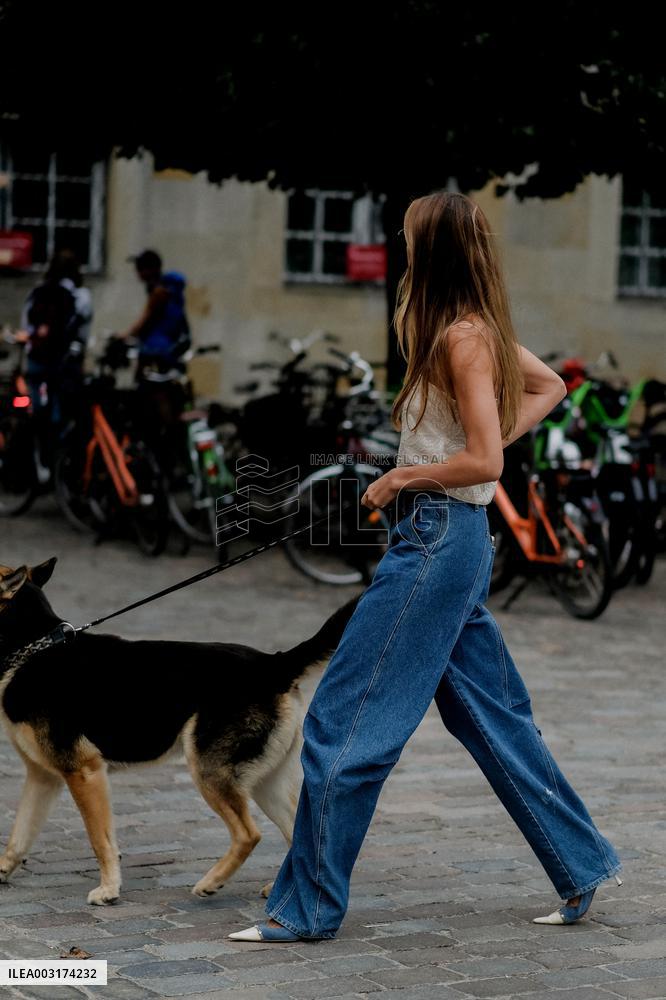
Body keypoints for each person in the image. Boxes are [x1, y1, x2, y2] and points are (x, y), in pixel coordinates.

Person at [229, 191, 622, 944]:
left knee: (344, 724)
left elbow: (486, 460)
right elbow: (549, 389)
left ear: (430, 247)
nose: (401, 239)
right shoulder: (458, 326)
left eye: (410, 231)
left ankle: (305, 911)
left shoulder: (463, 338)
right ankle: (582, 865)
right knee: (493, 718)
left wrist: (406, 475)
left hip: (438, 540)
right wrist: (458, 452)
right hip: (453, 539)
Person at [20, 249, 93, 474]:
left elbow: (27, 326)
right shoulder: (81, 295)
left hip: (37, 360)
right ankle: (61, 459)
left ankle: (39, 460)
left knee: (36, 407)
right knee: (63, 412)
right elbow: (82, 331)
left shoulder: (38, 292)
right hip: (64, 363)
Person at [119, 249, 191, 366]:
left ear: (153, 269)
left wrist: (124, 337)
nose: (137, 272)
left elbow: (145, 318)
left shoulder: (159, 292)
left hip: (160, 344)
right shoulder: (166, 289)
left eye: (141, 268)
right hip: (167, 342)